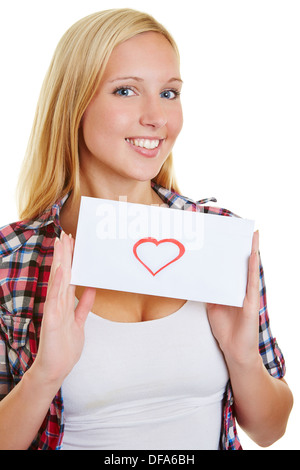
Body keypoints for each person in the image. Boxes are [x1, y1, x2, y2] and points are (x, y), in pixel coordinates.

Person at [0, 9, 293, 450]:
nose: (157, 118)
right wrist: (44, 376)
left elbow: (270, 431)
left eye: (170, 93)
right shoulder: (13, 259)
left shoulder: (218, 240)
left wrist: (243, 358)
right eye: (126, 91)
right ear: (74, 103)